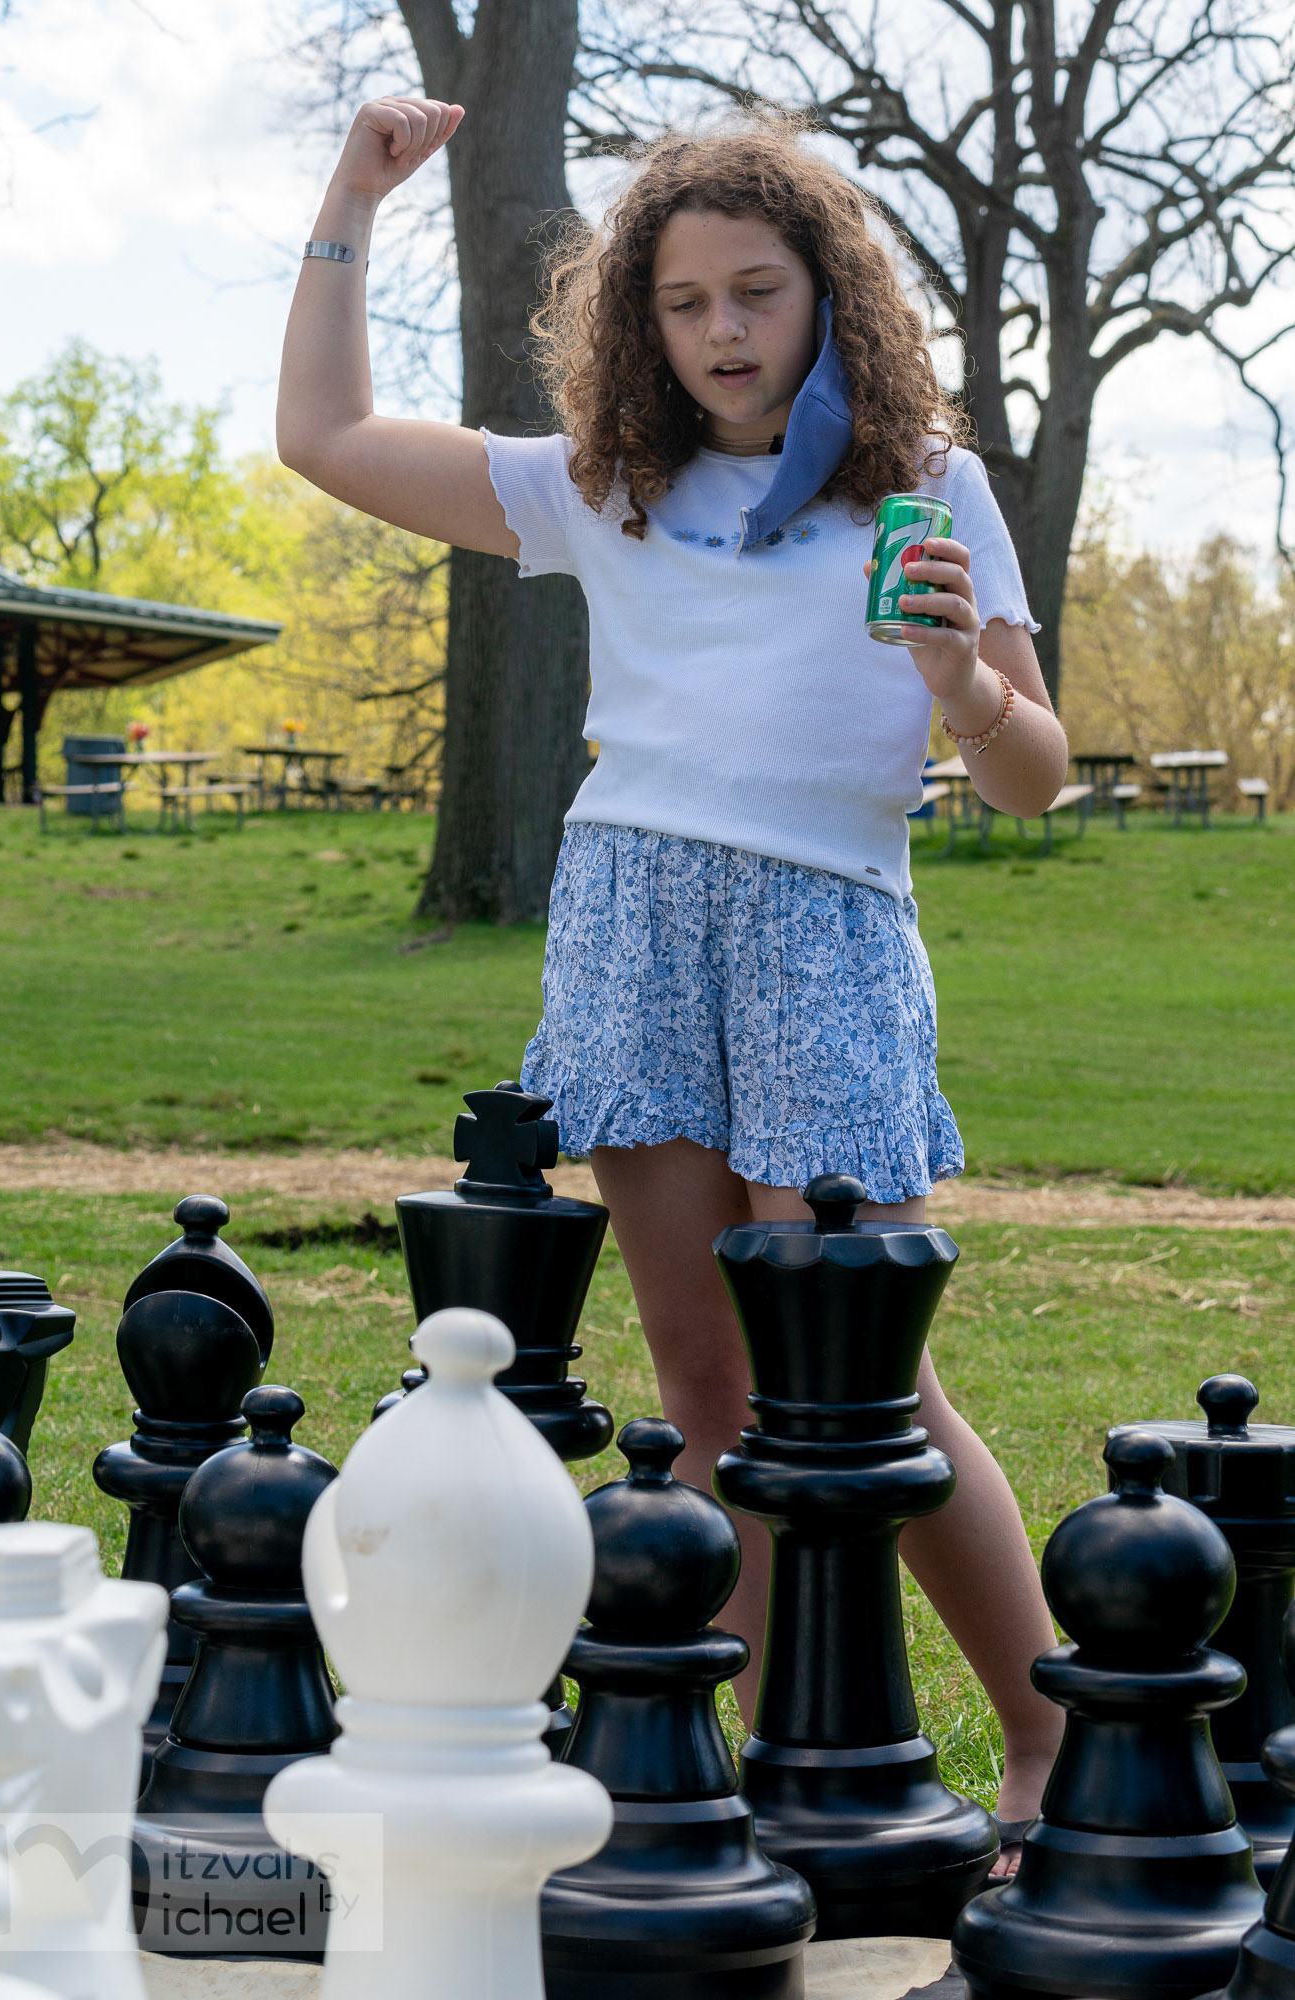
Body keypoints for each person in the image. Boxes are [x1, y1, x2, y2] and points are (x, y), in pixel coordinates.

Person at [277, 94, 1069, 1877]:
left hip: (826, 928)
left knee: (858, 1383)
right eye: (685, 300)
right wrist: (351, 195)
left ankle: (1041, 1730)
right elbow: (321, 435)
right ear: (642, 319)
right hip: (630, 915)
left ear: (824, 296)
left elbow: (1036, 776)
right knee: (709, 1392)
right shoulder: (601, 485)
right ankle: (795, 1771)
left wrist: (961, 687)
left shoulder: (927, 486)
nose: (720, 331)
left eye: (757, 291)